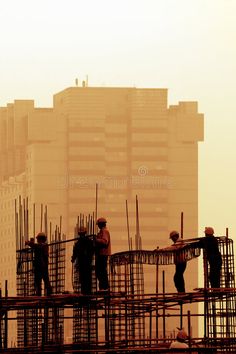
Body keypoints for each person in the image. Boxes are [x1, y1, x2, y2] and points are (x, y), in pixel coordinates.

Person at [71, 226, 94, 295]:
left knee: (85, 280)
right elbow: (75, 253)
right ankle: (86, 293)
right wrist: (73, 258)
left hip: (85, 263)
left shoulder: (82, 243)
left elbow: (91, 251)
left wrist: (73, 258)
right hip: (84, 263)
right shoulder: (85, 242)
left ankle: (86, 293)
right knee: (85, 280)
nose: (81, 235)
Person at [94, 217, 111, 292]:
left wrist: (96, 240)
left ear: (101, 224)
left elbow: (105, 241)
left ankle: (104, 287)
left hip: (103, 254)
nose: (98, 226)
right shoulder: (101, 232)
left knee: (102, 271)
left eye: (99, 225)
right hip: (100, 254)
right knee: (99, 271)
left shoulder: (104, 231)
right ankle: (102, 287)